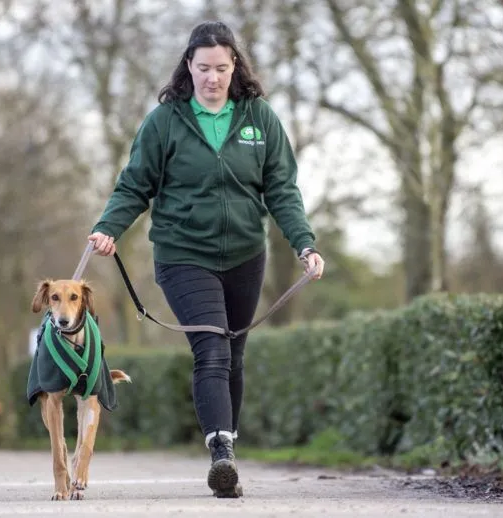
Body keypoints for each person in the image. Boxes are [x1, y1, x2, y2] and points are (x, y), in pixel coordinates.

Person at [87, 20, 325, 498]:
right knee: (212, 348)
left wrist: (304, 243)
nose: (212, 77)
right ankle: (221, 453)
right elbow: (135, 184)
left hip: (244, 254)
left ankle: (228, 451)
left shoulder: (260, 118)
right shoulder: (166, 121)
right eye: (202, 68)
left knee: (234, 353)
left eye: (221, 67)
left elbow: (281, 189)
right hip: (183, 254)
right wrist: (108, 227)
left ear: (234, 66)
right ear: (188, 68)